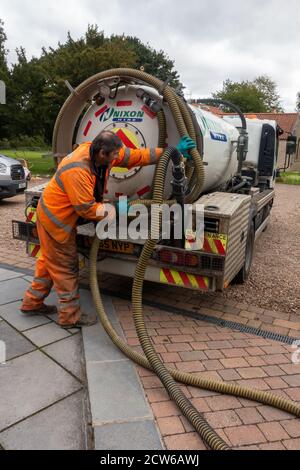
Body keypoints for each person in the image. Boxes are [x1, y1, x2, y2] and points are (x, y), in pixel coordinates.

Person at [20, 131, 196, 329]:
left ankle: (31, 303)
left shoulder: (102, 152)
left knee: (49, 262)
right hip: (56, 222)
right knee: (66, 268)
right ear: (102, 153)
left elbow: (136, 156)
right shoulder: (77, 169)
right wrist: (117, 209)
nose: (117, 158)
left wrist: (171, 152)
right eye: (114, 156)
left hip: (58, 215)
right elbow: (86, 209)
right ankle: (70, 317)